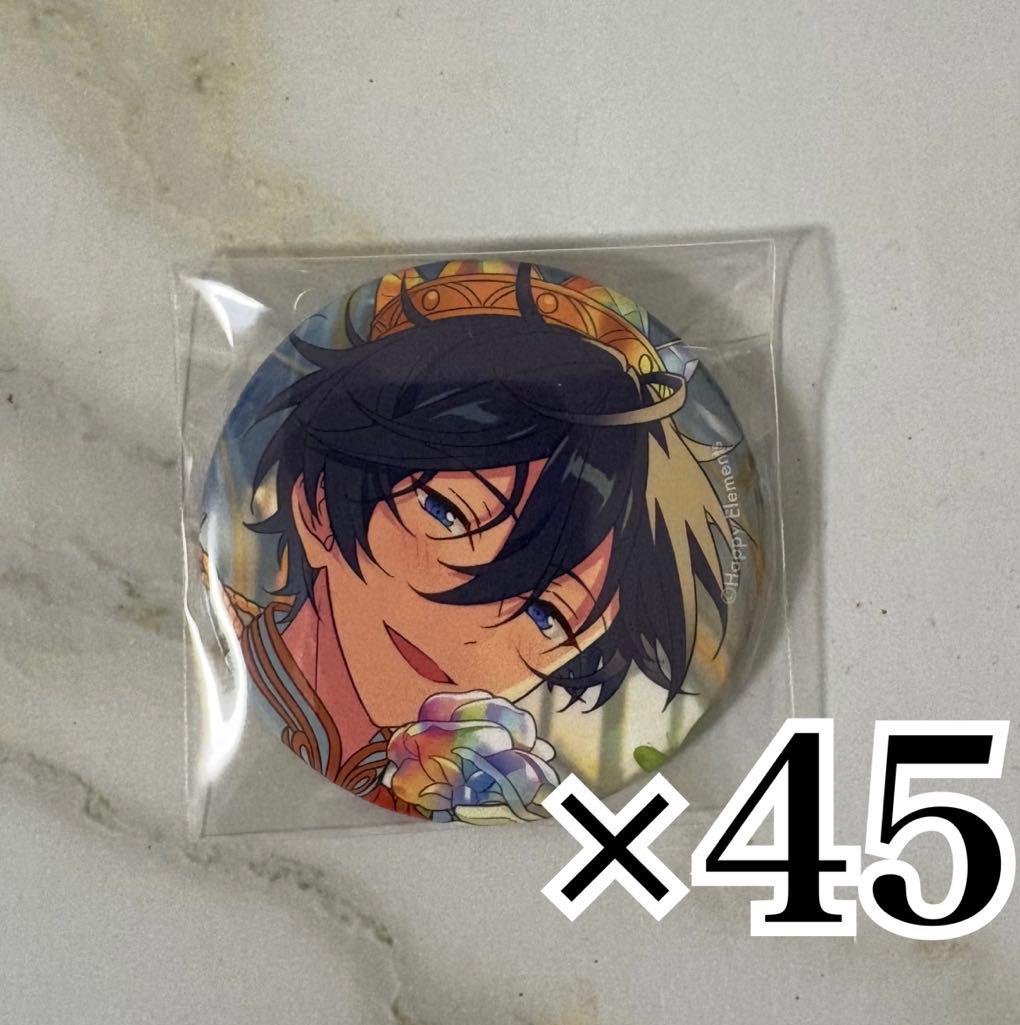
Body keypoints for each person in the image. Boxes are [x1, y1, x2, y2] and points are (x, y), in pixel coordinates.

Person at [236, 261, 743, 821]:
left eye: (550, 615)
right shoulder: (236, 662)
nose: (472, 629)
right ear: (317, 506)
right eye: (447, 512)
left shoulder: (478, 787)